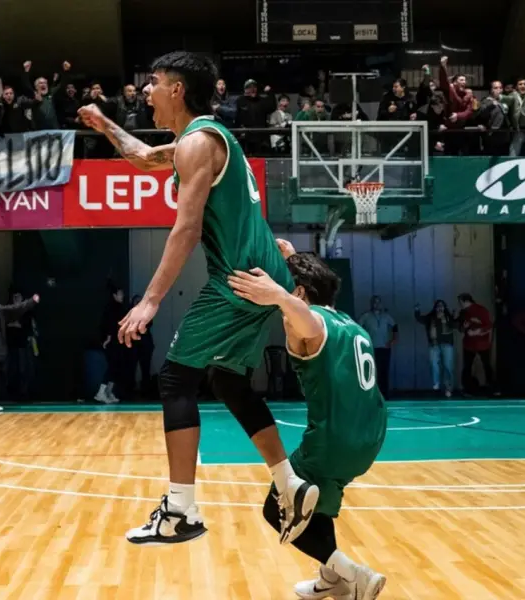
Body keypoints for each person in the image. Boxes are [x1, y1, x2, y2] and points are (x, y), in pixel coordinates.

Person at [78, 51, 318, 546]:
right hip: (265, 277)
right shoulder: (203, 139)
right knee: (229, 380)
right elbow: (143, 157)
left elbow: (186, 229)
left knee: (174, 378)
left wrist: (150, 301)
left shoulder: (196, 144)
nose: (146, 92)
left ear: (178, 90)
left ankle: (180, 511)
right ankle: (290, 484)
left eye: (154, 82)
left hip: (239, 280)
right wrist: (104, 125)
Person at [227, 241, 388, 600]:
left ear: (299, 292)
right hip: (372, 437)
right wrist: (293, 260)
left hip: (333, 440)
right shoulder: (350, 324)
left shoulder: (305, 323)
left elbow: (306, 319)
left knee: (278, 507)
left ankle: (353, 574)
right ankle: (331, 579)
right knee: (317, 503)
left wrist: (278, 295)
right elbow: (310, 305)